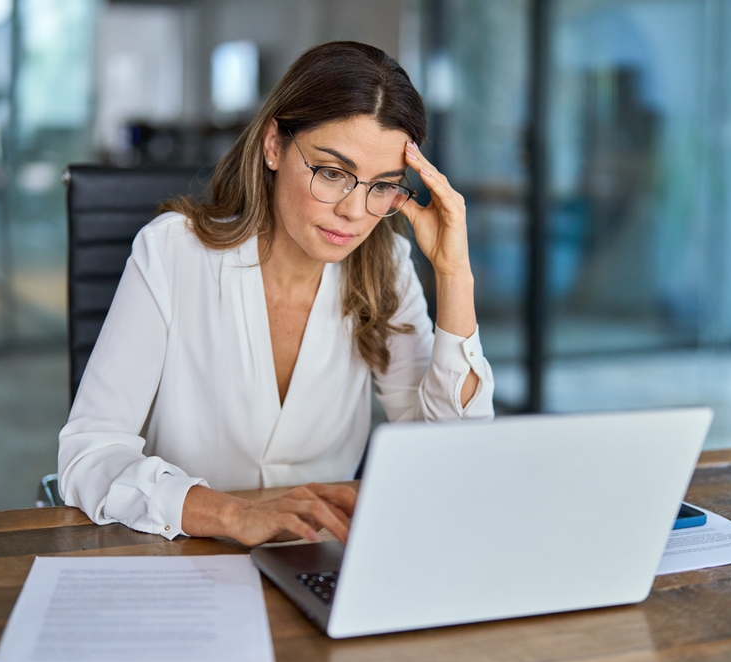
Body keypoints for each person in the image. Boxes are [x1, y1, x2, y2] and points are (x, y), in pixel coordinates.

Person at [58, 41, 494, 547]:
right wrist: (236, 515)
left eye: (381, 186)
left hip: (318, 556)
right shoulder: (172, 253)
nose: (355, 212)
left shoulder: (384, 267)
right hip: (182, 552)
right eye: (333, 173)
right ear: (273, 146)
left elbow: (450, 459)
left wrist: (454, 274)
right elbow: (88, 456)